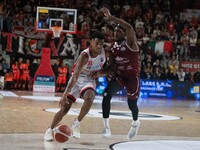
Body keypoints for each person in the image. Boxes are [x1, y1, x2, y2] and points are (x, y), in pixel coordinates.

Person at [44, 31, 109, 141]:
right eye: (97, 43)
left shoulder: (106, 53)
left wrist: (100, 73)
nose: (99, 46)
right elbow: (75, 77)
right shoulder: (85, 55)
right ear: (91, 42)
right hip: (77, 78)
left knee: (90, 97)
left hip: (89, 79)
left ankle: (77, 123)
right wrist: (64, 95)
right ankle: (49, 130)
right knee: (65, 109)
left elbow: (111, 69)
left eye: (101, 44)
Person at [92, 7, 141, 139]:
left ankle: (135, 122)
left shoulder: (131, 43)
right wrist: (100, 73)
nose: (116, 32)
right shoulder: (113, 47)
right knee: (106, 95)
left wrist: (111, 17)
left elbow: (129, 27)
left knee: (132, 105)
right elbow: (112, 68)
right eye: (114, 31)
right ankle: (106, 128)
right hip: (120, 76)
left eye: (119, 31)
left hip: (132, 77)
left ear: (124, 34)